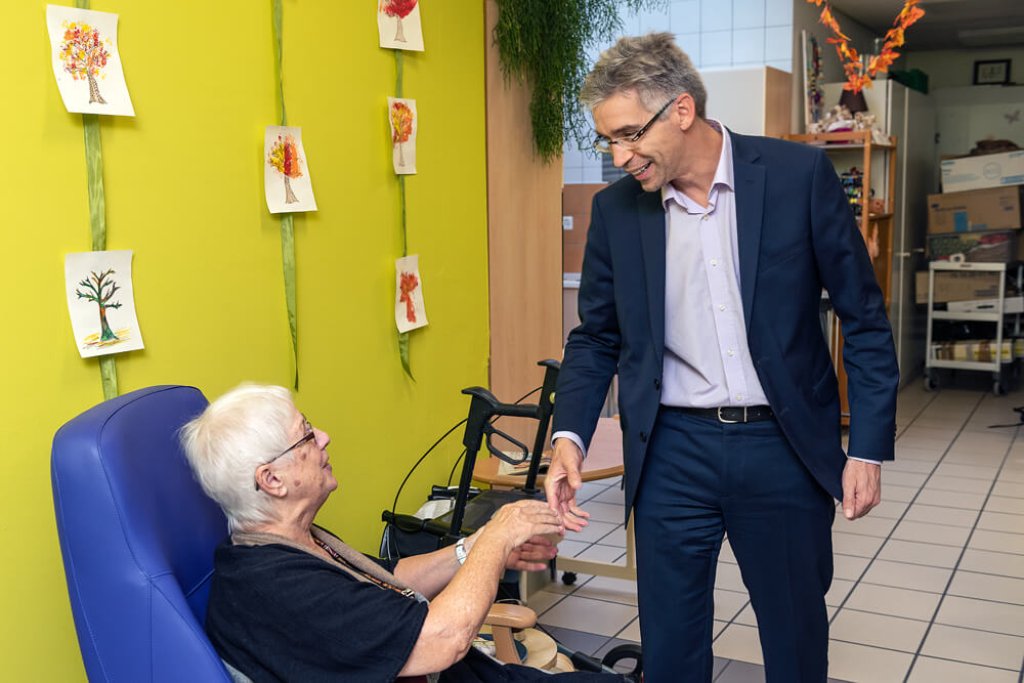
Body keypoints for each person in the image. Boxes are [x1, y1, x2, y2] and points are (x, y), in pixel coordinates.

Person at [544, 33, 898, 683]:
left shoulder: (797, 179)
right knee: (672, 651)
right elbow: (596, 336)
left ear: (682, 110)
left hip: (783, 445)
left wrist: (867, 448)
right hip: (671, 451)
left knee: (794, 640)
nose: (619, 157)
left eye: (627, 135)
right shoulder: (617, 212)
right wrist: (569, 434)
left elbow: (865, 319)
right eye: (608, 141)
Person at [181, 383, 624, 683]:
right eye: (306, 436)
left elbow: (386, 579)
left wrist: (471, 547)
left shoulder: (284, 543)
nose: (325, 438)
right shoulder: (272, 586)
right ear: (272, 481)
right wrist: (497, 536)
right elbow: (442, 640)